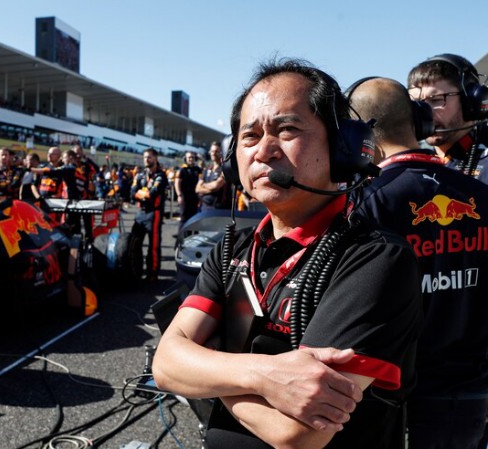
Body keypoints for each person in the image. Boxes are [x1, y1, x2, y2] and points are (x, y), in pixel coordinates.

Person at [152, 59, 423, 449]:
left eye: (287, 130)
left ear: (343, 147)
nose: (264, 151)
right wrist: (265, 375)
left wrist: (210, 364)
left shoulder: (377, 259)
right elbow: (166, 364)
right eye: (249, 136)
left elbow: (298, 433)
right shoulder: (232, 249)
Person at [349, 77, 488, 449]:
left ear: (359, 132)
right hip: (472, 398)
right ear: (418, 120)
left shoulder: (367, 201)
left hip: (398, 401)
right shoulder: (480, 194)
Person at [408, 54, 488, 184]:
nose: (424, 112)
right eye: (417, 103)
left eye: (436, 100)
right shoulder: (412, 166)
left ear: (469, 101)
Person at [131, 148, 168, 282]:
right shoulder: (140, 175)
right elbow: (131, 193)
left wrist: (141, 193)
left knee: (154, 245)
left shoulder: (161, 175)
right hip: (140, 213)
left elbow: (152, 194)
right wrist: (143, 194)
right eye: (145, 157)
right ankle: (136, 269)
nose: (146, 159)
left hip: (154, 213)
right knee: (134, 243)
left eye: (149, 157)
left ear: (155, 158)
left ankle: (153, 273)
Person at [196, 141, 231, 210]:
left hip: (219, 208)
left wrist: (203, 185)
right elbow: (197, 189)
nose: (213, 153)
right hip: (204, 207)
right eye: (212, 151)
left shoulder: (225, 169)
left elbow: (216, 186)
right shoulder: (207, 169)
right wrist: (211, 189)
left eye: (216, 151)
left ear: (221, 153)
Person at [175, 151, 202, 228]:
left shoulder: (197, 169)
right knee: (184, 217)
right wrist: (179, 195)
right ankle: (181, 234)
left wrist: (201, 159)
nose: (191, 159)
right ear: (185, 159)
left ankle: (193, 234)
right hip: (184, 196)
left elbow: (204, 173)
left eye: (192, 157)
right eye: (189, 157)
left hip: (194, 196)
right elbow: (177, 183)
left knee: (194, 217)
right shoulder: (182, 169)